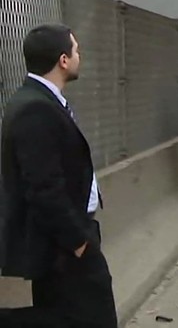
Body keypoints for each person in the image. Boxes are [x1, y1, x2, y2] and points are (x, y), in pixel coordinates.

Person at [0, 24, 118, 326]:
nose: (80, 56)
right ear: (63, 60)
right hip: (63, 243)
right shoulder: (35, 109)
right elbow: (43, 187)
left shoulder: (42, 101)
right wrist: (79, 241)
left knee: (68, 313)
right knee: (95, 318)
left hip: (66, 239)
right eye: (76, 50)